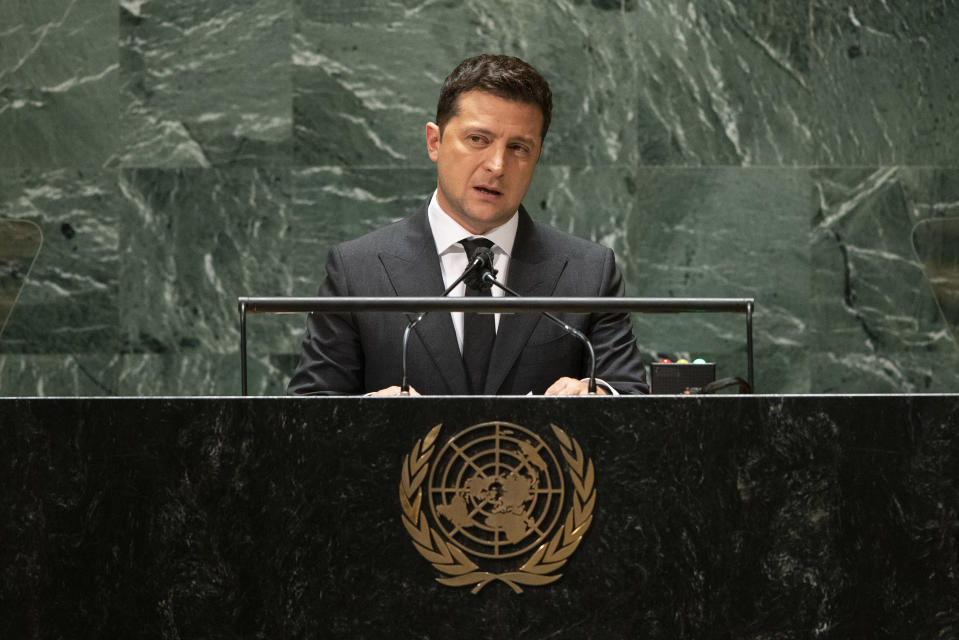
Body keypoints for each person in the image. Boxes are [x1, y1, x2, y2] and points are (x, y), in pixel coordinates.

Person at [288, 54, 647, 396]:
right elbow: (310, 406)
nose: (497, 165)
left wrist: (599, 393)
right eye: (478, 139)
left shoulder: (589, 273)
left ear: (537, 156)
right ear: (435, 141)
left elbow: (631, 395)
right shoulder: (357, 271)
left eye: (519, 147)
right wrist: (376, 414)